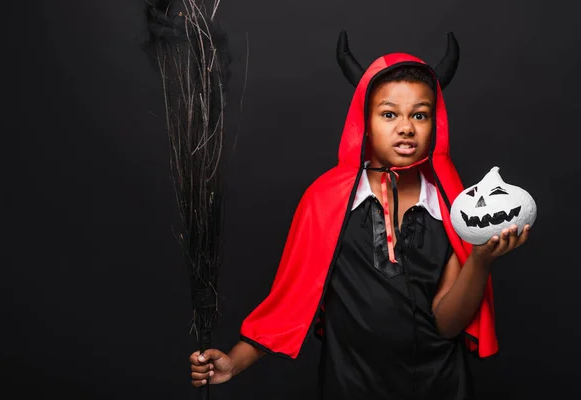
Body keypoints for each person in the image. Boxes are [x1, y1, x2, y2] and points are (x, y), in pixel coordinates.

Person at [189, 31, 530, 399]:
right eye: (389, 114)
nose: (405, 127)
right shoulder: (326, 201)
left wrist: (479, 259)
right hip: (350, 385)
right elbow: (291, 300)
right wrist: (234, 362)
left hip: (440, 385)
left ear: (435, 124)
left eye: (420, 114)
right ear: (364, 121)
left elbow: (447, 324)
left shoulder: (451, 206)